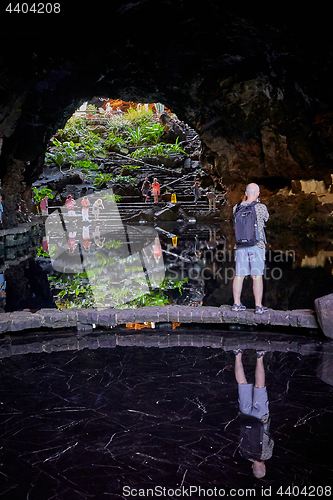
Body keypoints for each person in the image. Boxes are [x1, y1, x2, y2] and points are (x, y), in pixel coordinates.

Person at [234, 349, 274, 478]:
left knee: (259, 386)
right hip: (246, 416)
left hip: (261, 418)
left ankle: (260, 356)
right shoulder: (243, 454)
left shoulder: (267, 455)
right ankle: (237, 354)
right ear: (252, 467)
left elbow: (269, 439)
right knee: (242, 384)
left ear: (264, 466)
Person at [232, 183, 269, 314]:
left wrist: (244, 200)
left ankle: (236, 304)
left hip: (240, 246)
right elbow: (266, 218)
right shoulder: (261, 207)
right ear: (258, 194)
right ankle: (258, 306)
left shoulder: (236, 207)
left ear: (246, 193)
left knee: (239, 275)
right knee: (257, 276)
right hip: (257, 245)